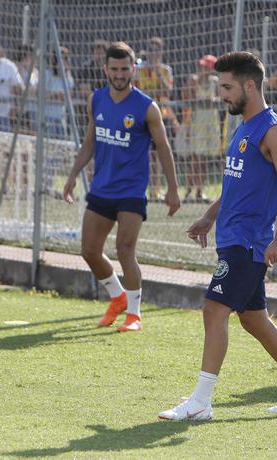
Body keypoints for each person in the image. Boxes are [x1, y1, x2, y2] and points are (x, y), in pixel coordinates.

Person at [159, 51, 277, 421]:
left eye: (228, 87)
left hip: (250, 243)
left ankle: (200, 402)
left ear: (250, 85)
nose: (222, 95)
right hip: (232, 239)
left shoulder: (275, 132)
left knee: (215, 309)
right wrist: (208, 216)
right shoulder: (243, 127)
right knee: (253, 319)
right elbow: (235, 185)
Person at [62, 42, 181, 332]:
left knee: (125, 249)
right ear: (106, 69)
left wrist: (173, 189)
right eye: (114, 69)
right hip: (102, 188)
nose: (119, 73)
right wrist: (72, 175)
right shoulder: (96, 100)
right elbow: (90, 141)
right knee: (89, 251)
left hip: (131, 190)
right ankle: (117, 298)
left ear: (133, 69)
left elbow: (164, 148)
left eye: (124, 68)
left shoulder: (147, 107)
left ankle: (134, 314)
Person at [134, 37, 179, 201]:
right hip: (142, 115)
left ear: (161, 52)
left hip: (161, 115)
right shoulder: (138, 69)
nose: (154, 54)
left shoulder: (166, 70)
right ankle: (141, 188)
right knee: (142, 153)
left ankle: (156, 188)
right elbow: (136, 91)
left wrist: (158, 73)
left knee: (158, 153)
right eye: (151, 50)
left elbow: (168, 91)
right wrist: (154, 95)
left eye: (157, 51)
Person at [181, 54, 221, 203]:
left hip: (211, 122)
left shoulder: (215, 82)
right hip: (197, 122)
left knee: (204, 160)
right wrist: (198, 100)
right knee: (195, 159)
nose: (202, 69)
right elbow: (185, 98)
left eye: (206, 67)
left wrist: (213, 100)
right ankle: (188, 191)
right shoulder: (193, 80)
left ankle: (200, 191)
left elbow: (221, 98)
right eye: (202, 66)